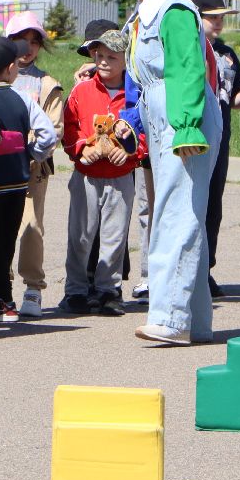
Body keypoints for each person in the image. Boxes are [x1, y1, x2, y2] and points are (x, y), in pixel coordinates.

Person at [106, 0, 222, 346]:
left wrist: (187, 125)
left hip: (184, 117)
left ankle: (171, 317)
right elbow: (146, 82)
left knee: (176, 214)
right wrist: (133, 120)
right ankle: (194, 321)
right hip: (167, 116)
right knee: (181, 211)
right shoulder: (144, 13)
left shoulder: (172, 8)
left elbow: (187, 69)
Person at [0, 37, 58, 320]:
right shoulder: (21, 98)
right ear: (10, 68)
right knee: (6, 239)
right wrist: (33, 154)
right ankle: (1, 298)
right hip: (16, 181)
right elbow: (48, 134)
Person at [61, 26, 144, 315]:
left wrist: (130, 151)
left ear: (126, 60)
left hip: (120, 177)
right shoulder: (82, 91)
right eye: (99, 55)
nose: (104, 61)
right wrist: (82, 148)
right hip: (87, 175)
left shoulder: (135, 94)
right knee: (80, 235)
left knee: (115, 235)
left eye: (112, 56)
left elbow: (145, 130)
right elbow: (69, 126)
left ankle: (109, 290)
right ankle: (76, 290)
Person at [195, 0, 240, 298]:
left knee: (213, 205)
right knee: (193, 202)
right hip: (195, 134)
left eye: (222, 18)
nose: (218, 23)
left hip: (221, 135)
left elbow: (231, 97)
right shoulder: (190, 48)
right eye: (213, 18)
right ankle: (188, 268)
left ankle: (206, 268)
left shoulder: (227, 53)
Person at [6, 11, 65, 318]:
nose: (27, 48)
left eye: (34, 42)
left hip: (32, 169)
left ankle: (33, 288)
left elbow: (54, 129)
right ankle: (0, 289)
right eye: (20, 40)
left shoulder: (47, 85)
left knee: (31, 227)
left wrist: (28, 147)